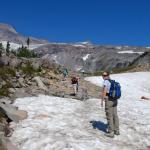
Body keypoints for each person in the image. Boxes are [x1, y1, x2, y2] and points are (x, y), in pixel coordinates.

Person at [101, 71, 120, 138]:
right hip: (115, 100)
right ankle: (116, 130)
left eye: (104, 75)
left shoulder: (105, 82)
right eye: (103, 75)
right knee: (115, 115)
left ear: (108, 75)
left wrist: (102, 100)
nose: (103, 76)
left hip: (109, 100)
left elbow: (105, 91)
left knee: (109, 116)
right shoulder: (112, 81)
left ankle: (111, 132)